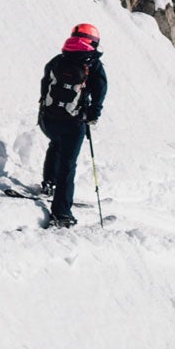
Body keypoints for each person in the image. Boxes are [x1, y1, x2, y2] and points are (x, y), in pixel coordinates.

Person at [38, 22, 108, 227]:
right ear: (92, 42)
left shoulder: (58, 60)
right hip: (73, 121)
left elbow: (44, 86)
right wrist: (93, 114)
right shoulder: (93, 64)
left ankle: (48, 183)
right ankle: (61, 213)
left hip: (48, 119)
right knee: (68, 166)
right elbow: (100, 91)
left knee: (55, 145)